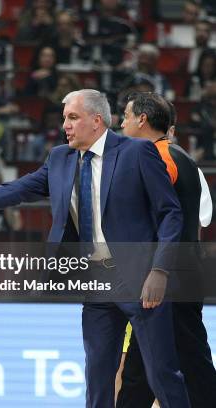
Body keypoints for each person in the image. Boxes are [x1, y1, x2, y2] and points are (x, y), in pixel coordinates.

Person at [0, 89, 191, 408]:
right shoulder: (60, 158)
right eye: (65, 118)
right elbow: (16, 190)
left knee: (161, 373)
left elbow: (170, 213)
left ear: (97, 120)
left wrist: (160, 269)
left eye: (73, 117)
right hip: (96, 283)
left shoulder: (137, 152)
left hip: (141, 277)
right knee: (97, 376)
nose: (66, 125)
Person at [117, 93, 216, 407]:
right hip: (175, 270)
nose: (122, 122)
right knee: (144, 360)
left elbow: (157, 212)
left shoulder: (156, 154)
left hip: (170, 274)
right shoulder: (176, 154)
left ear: (142, 120)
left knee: (190, 356)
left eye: (126, 116)